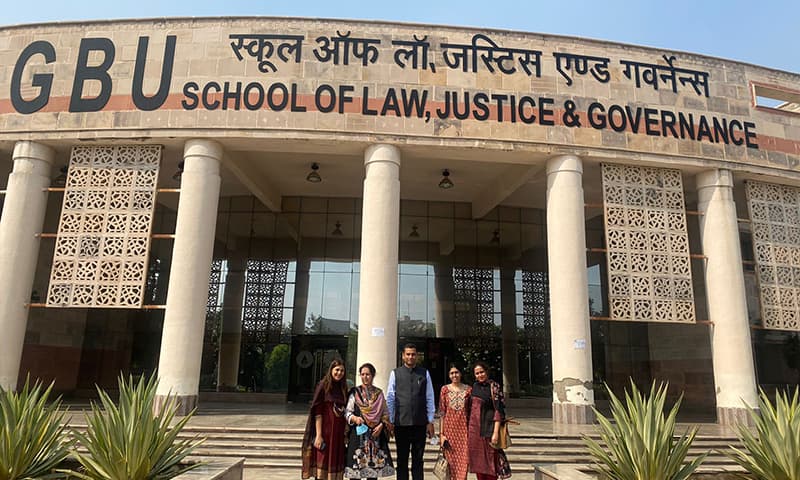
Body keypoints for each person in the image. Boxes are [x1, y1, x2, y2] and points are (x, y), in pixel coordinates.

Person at [386, 343, 436, 480]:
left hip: (420, 423)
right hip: (401, 423)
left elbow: (429, 397)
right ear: (403, 356)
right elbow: (390, 397)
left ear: (417, 356)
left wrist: (430, 420)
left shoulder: (424, 373)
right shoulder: (395, 373)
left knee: (418, 460)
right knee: (402, 460)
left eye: (413, 354)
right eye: (408, 354)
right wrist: (390, 420)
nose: (410, 357)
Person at [344, 363, 395, 479]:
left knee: (372, 474)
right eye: (362, 374)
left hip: (375, 437)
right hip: (358, 436)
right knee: (355, 474)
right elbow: (347, 412)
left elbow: (386, 413)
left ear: (373, 375)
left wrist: (381, 425)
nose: (365, 377)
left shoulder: (379, 394)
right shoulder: (355, 393)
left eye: (368, 374)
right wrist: (355, 418)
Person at [302, 358, 348, 480]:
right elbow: (318, 412)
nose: (339, 373)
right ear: (331, 370)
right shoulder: (323, 385)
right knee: (322, 464)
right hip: (325, 433)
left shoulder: (343, 388)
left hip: (338, 435)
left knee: (336, 465)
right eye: (337, 370)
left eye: (342, 371)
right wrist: (318, 435)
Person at [468, 361, 511, 480]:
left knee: (491, 463)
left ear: (486, 372)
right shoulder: (474, 387)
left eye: (481, 372)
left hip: (489, 431)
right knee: (478, 465)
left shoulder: (494, 387)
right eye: (477, 373)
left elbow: (499, 411)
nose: (480, 375)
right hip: (475, 432)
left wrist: (495, 432)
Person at [438, 363, 471, 480]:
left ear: (461, 374)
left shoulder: (469, 390)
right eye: (451, 373)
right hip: (449, 433)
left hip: (464, 432)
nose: (454, 375)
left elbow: (471, 413)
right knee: (450, 465)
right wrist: (441, 434)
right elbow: (442, 413)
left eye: (456, 372)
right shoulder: (444, 390)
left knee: (463, 464)